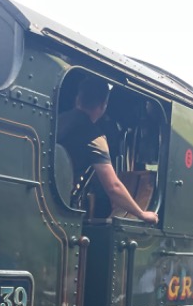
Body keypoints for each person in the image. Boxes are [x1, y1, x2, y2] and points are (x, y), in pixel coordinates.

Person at [57, 76, 159, 224]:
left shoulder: (57, 119)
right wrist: (141, 214)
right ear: (104, 105)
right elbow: (113, 187)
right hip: (63, 207)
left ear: (78, 98)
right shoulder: (94, 137)